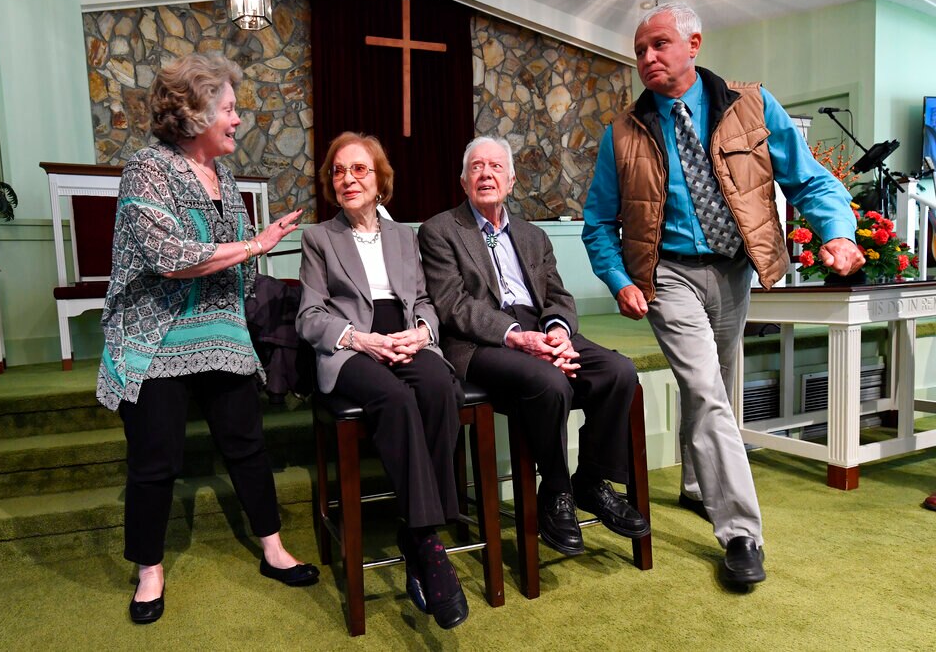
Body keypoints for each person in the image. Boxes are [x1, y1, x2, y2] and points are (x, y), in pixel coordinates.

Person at [582, 2, 864, 587]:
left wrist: (837, 233)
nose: (648, 58)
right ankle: (740, 532)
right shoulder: (623, 133)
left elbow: (807, 178)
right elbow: (597, 224)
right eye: (639, 50)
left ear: (694, 44)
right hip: (667, 275)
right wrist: (622, 280)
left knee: (714, 387)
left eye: (659, 44)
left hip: (735, 271)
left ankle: (692, 484)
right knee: (706, 388)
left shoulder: (752, 105)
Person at [96, 53, 316, 625]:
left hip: (220, 326)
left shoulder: (229, 177)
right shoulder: (147, 168)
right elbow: (168, 258)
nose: (238, 120)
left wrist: (255, 274)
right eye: (229, 109)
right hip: (156, 331)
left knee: (247, 444)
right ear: (194, 113)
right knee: (155, 461)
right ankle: (149, 570)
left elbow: (238, 267)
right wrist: (256, 246)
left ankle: (272, 548)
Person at [418, 136, 649, 560]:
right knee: (548, 382)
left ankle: (592, 481)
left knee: (619, 372)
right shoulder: (440, 231)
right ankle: (556, 490)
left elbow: (558, 296)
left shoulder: (533, 235)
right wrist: (515, 336)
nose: (486, 174)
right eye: (476, 168)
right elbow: (453, 306)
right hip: (481, 341)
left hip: (541, 329)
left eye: (495, 167)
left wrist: (558, 331)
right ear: (463, 180)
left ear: (511, 180)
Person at [296, 131, 469, 630]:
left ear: (379, 181)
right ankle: (429, 543)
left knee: (439, 387)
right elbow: (308, 316)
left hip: (404, 334)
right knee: (394, 398)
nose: (348, 179)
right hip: (352, 346)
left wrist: (421, 333)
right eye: (338, 171)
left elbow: (423, 301)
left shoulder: (403, 236)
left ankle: (418, 533)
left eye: (359, 170)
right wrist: (360, 339)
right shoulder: (319, 238)